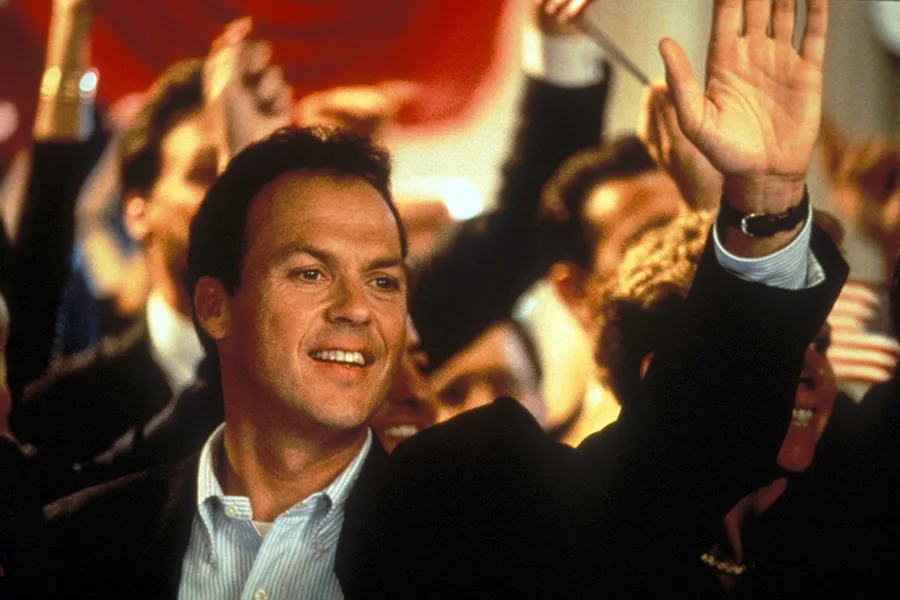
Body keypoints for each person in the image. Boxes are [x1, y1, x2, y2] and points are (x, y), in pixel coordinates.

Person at [341, 0, 848, 596]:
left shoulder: (508, 491)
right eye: (649, 237)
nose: (407, 391)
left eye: (418, 360)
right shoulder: (489, 493)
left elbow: (703, 432)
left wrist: (759, 203)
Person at [43, 126, 408, 599]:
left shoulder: (466, 546)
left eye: (383, 282)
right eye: (311, 273)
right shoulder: (76, 544)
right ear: (214, 307)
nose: (357, 309)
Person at [12, 20, 292, 495]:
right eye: (207, 172)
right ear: (137, 211)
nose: (236, 196)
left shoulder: (312, 368)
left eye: (245, 170)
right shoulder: (65, 404)